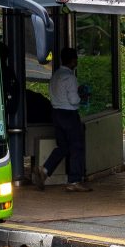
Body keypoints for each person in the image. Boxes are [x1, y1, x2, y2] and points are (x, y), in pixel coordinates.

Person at [33, 48, 92, 192]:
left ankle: (45, 170)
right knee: (76, 148)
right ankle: (74, 181)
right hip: (69, 115)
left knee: (63, 147)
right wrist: (82, 98)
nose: (76, 62)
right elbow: (73, 100)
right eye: (76, 59)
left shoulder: (55, 75)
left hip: (56, 114)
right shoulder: (70, 77)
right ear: (73, 61)